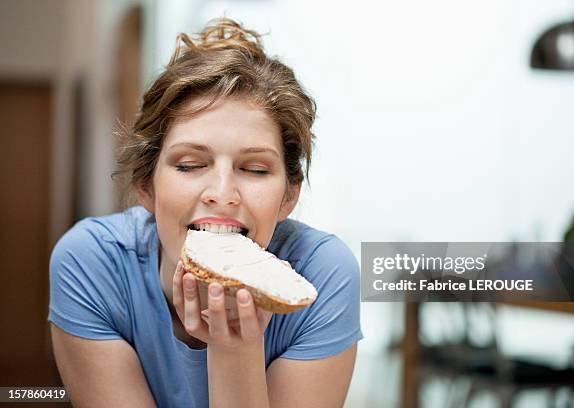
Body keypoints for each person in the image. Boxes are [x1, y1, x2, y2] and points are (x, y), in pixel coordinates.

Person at [48, 18, 363, 407]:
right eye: (190, 164)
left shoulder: (323, 274)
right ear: (147, 186)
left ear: (288, 197)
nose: (222, 193)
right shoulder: (91, 262)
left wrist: (235, 350)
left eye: (254, 169)